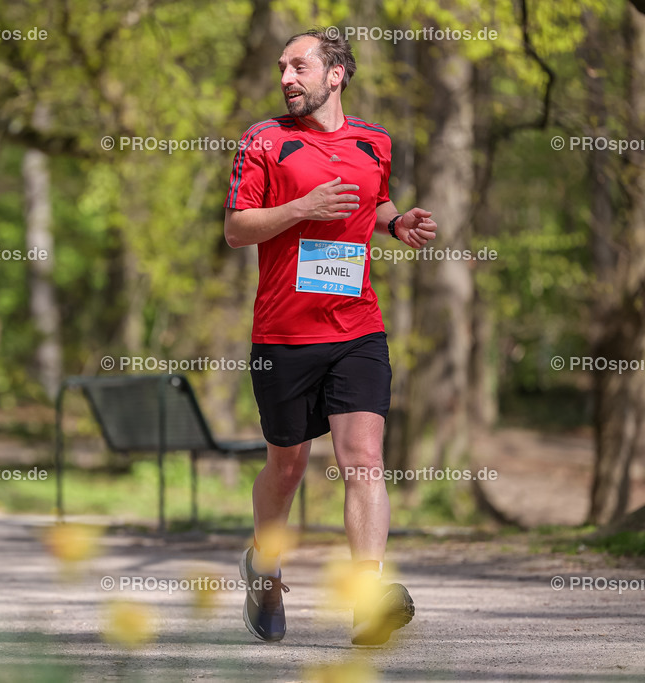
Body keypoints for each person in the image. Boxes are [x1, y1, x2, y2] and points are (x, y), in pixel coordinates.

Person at [224, 28, 438, 645]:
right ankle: (263, 565)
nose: (287, 77)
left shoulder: (375, 141)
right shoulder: (264, 141)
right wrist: (301, 208)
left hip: (356, 328)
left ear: (335, 74)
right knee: (287, 466)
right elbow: (239, 227)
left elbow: (369, 201)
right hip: (284, 334)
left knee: (364, 460)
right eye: (282, 68)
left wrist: (396, 220)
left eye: (299, 66)